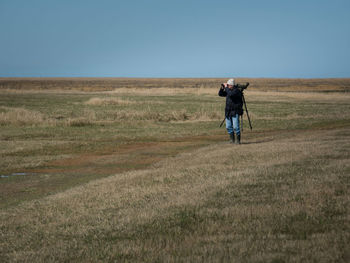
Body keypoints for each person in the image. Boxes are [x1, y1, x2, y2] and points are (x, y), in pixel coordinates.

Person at [218, 78, 249, 144]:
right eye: (227, 85)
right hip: (228, 111)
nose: (228, 86)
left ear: (232, 85)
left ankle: (238, 141)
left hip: (235, 111)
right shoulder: (228, 90)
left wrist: (226, 88)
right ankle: (232, 140)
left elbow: (231, 94)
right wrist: (222, 88)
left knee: (236, 127)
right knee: (228, 126)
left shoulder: (236, 91)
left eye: (229, 85)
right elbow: (220, 94)